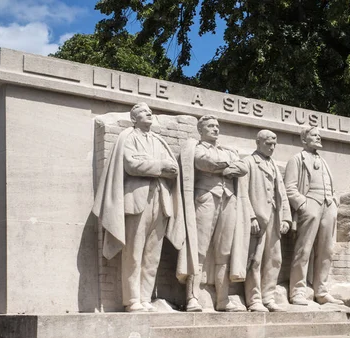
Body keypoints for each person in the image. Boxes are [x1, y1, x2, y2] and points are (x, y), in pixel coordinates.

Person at [92, 102, 184, 312]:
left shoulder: (159, 141)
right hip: (137, 202)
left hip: (161, 202)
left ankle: (145, 298)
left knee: (153, 255)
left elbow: (173, 169)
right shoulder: (128, 137)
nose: (149, 113)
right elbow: (132, 165)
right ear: (134, 119)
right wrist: (159, 166)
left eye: (150, 111)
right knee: (133, 252)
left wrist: (153, 166)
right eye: (143, 112)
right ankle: (132, 299)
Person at [179, 115, 249, 312]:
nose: (216, 129)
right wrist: (228, 166)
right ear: (201, 130)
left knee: (224, 251)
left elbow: (243, 167)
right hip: (206, 197)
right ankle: (192, 297)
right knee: (199, 248)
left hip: (228, 199)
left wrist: (225, 165)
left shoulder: (225, 150)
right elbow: (204, 163)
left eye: (217, 126)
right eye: (211, 126)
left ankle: (222, 298)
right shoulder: (197, 148)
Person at [284, 126, 341, 306]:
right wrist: (303, 204)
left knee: (327, 250)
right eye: (314, 135)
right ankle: (298, 291)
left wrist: (334, 200)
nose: (318, 138)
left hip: (328, 206)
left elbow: (331, 186)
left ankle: (321, 291)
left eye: (319, 135)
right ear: (304, 139)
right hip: (310, 204)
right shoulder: (297, 159)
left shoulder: (323, 161)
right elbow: (290, 188)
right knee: (304, 249)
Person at [241, 130, 292, 312]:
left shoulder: (273, 165)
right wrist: (251, 216)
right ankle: (254, 300)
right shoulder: (248, 162)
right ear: (258, 142)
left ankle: (268, 297)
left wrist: (286, 217)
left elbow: (282, 193)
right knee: (254, 259)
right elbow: (243, 193)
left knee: (274, 259)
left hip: (274, 218)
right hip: (258, 218)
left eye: (274, 144)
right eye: (268, 144)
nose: (272, 148)